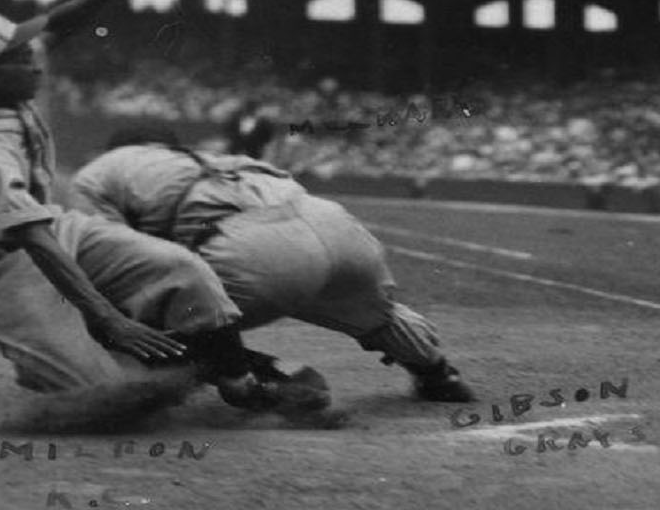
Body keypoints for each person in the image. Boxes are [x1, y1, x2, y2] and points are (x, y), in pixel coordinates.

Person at [0, 0, 328, 421]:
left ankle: (242, 380)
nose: (37, 61)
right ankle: (59, 360)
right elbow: (32, 241)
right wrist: (107, 318)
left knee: (181, 269)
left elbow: (53, 26)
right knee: (110, 396)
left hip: (53, 227)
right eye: (21, 58)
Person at [70, 125, 476, 405]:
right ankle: (439, 375)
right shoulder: (218, 158)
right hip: (337, 228)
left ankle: (258, 383)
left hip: (254, 252)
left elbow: (111, 255)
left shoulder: (102, 171)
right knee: (374, 313)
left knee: (128, 320)